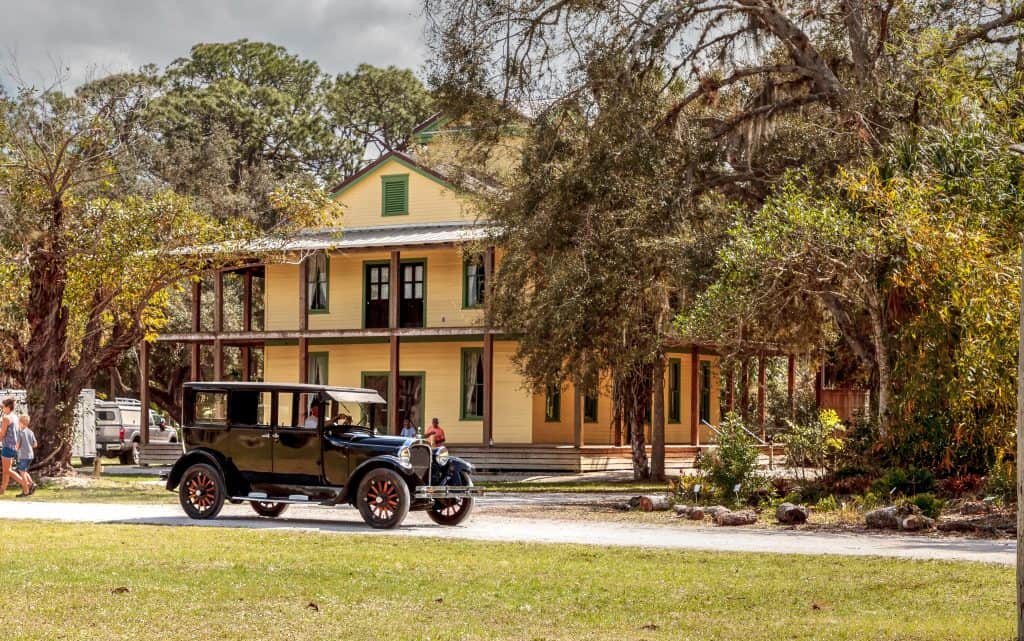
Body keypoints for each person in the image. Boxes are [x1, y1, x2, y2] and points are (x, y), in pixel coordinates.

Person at [0, 397, 29, 497]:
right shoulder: (15, 417)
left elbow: (2, 434)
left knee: (7, 470)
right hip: (15, 446)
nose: (2, 409)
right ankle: (2, 490)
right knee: (6, 470)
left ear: (8, 407)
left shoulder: (6, 418)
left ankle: (26, 485)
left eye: (3, 407)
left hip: (7, 446)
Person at [16, 414, 36, 495]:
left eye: (18, 422)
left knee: (22, 472)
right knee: (24, 471)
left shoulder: (20, 432)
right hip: (30, 455)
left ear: (21, 423)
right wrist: (28, 445)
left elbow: (17, 445)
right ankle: (32, 484)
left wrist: (14, 451)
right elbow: (35, 444)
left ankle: (26, 491)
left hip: (23, 455)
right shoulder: (30, 432)